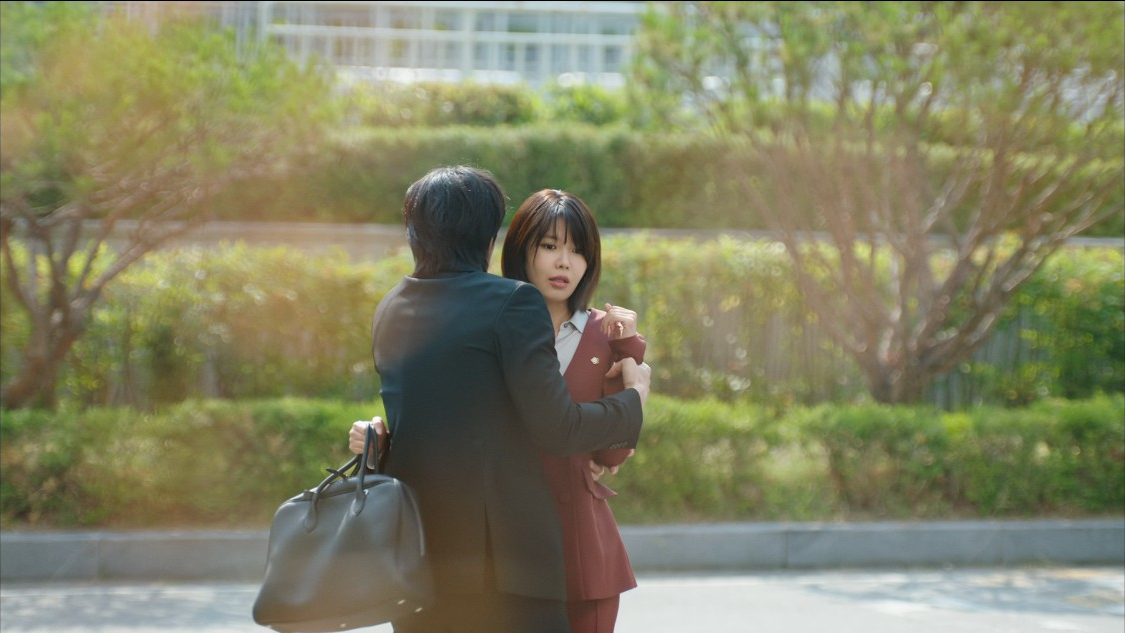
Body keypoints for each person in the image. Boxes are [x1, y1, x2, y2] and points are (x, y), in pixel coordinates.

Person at [348, 165, 651, 633]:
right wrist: (634, 398)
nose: (564, 260)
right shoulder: (512, 302)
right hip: (509, 570)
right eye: (549, 246)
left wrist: (379, 436)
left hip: (417, 559)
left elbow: (436, 418)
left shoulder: (390, 308)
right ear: (489, 237)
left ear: (415, 232)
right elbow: (559, 427)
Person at [501, 188, 643, 633]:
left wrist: (630, 363)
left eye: (578, 251)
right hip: (509, 550)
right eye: (550, 246)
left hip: (582, 550)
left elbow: (611, 455)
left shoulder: (605, 334)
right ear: (521, 249)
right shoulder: (494, 326)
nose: (565, 262)